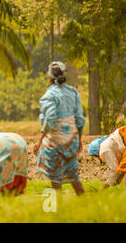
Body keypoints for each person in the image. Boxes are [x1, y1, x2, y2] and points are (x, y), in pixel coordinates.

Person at [34, 61, 86, 195]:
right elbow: (79, 120)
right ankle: (87, 206)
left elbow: (50, 119)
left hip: (55, 141)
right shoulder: (73, 92)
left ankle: (58, 210)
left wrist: (40, 138)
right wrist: (78, 139)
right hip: (71, 139)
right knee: (74, 176)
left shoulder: (49, 95)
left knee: (55, 180)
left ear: (50, 78)